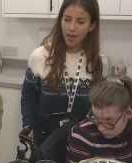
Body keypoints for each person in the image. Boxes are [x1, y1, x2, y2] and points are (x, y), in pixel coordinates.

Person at [21, 0, 109, 146]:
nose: (71, 28)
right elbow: (28, 96)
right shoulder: (40, 56)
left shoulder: (100, 62)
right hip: (45, 144)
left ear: (92, 25)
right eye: (67, 19)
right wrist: (28, 125)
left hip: (84, 145)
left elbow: (99, 106)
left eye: (80, 22)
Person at [66, 76, 132, 163]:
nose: (100, 128)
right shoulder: (82, 135)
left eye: (109, 120)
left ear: (128, 114)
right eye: (96, 117)